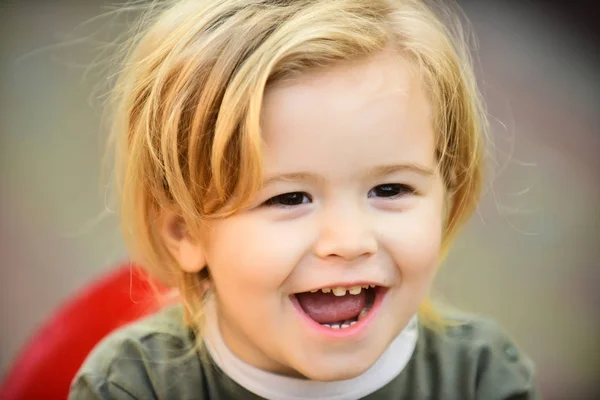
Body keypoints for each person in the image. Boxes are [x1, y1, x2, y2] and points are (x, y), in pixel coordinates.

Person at [69, 0, 540, 398]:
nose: (351, 241)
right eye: (290, 197)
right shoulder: (134, 385)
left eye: (390, 189)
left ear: (448, 195)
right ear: (186, 231)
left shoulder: (481, 378)